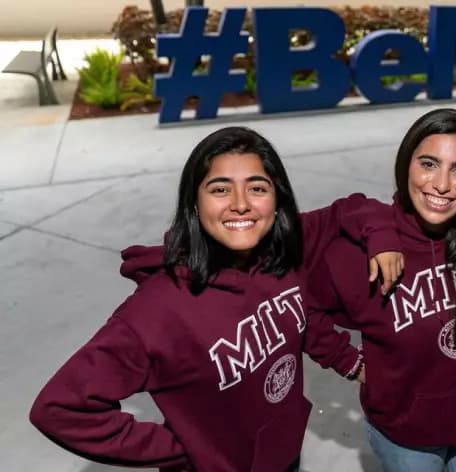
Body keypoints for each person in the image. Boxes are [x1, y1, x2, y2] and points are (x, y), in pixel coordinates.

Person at [29, 126, 403, 472]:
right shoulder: (157, 311)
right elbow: (60, 409)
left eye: (257, 188)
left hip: (281, 455)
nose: (240, 204)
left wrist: (351, 362)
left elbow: (297, 312)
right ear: (194, 203)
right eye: (220, 189)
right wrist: (187, 448)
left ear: (277, 200)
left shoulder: (277, 255)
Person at [305, 108, 456, 472]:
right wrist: (348, 362)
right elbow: (302, 305)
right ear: (406, 164)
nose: (441, 184)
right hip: (405, 437)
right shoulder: (365, 250)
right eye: (428, 164)